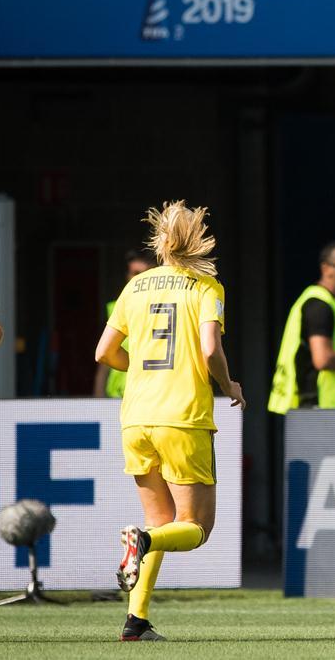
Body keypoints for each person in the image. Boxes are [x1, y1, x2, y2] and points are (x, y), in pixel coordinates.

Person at [94, 200, 245, 641]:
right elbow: (210, 350)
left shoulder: (135, 286)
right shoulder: (206, 286)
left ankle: (135, 621)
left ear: (159, 242)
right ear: (198, 240)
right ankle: (141, 542)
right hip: (182, 417)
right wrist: (229, 385)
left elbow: (103, 353)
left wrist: (142, 369)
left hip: (135, 417)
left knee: (159, 522)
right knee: (196, 528)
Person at [268, 241, 335, 411]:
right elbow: (323, 358)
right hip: (320, 406)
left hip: (333, 407)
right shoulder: (319, 305)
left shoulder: (334, 304)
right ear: (326, 268)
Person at [93, 250, 156, 398]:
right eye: (135, 273)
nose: (139, 279)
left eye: (144, 273)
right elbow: (103, 357)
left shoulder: (163, 308)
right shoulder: (114, 308)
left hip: (147, 394)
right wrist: (98, 397)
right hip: (116, 395)